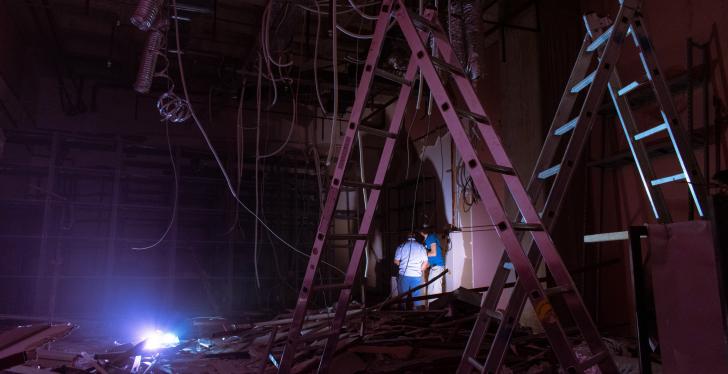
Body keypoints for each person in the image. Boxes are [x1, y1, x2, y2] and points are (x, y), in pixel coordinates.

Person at [394, 233, 429, 309]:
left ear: (407, 237)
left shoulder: (401, 246)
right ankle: (419, 317)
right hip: (416, 276)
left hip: (404, 275)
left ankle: (401, 317)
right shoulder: (421, 247)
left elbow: (396, 261)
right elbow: (425, 262)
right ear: (415, 237)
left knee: (402, 297)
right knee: (417, 298)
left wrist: (403, 266)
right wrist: (420, 269)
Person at [420, 224, 445, 299]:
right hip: (433, 268)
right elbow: (430, 259)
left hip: (437, 267)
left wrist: (421, 254)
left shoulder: (431, 237)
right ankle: (432, 309)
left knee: (435, 291)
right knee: (431, 292)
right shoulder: (427, 239)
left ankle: (437, 309)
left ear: (421, 232)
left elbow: (434, 253)